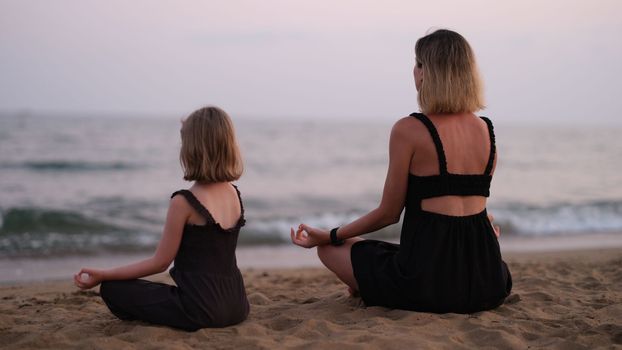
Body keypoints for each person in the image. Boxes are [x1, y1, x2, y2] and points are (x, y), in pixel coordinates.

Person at [291, 29, 512, 313]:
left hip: (428, 285)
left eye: (418, 63)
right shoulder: (486, 130)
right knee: (380, 253)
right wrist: (484, 221)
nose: (414, 70)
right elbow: (467, 203)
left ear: (427, 72)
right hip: (488, 280)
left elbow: (388, 213)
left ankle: (366, 284)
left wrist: (330, 235)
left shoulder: (410, 130)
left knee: (332, 250)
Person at [74, 106, 249, 331]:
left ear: (193, 149)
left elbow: (160, 263)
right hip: (237, 305)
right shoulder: (234, 193)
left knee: (112, 289)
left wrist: (103, 274)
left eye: (184, 140)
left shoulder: (184, 201)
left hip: (200, 309)